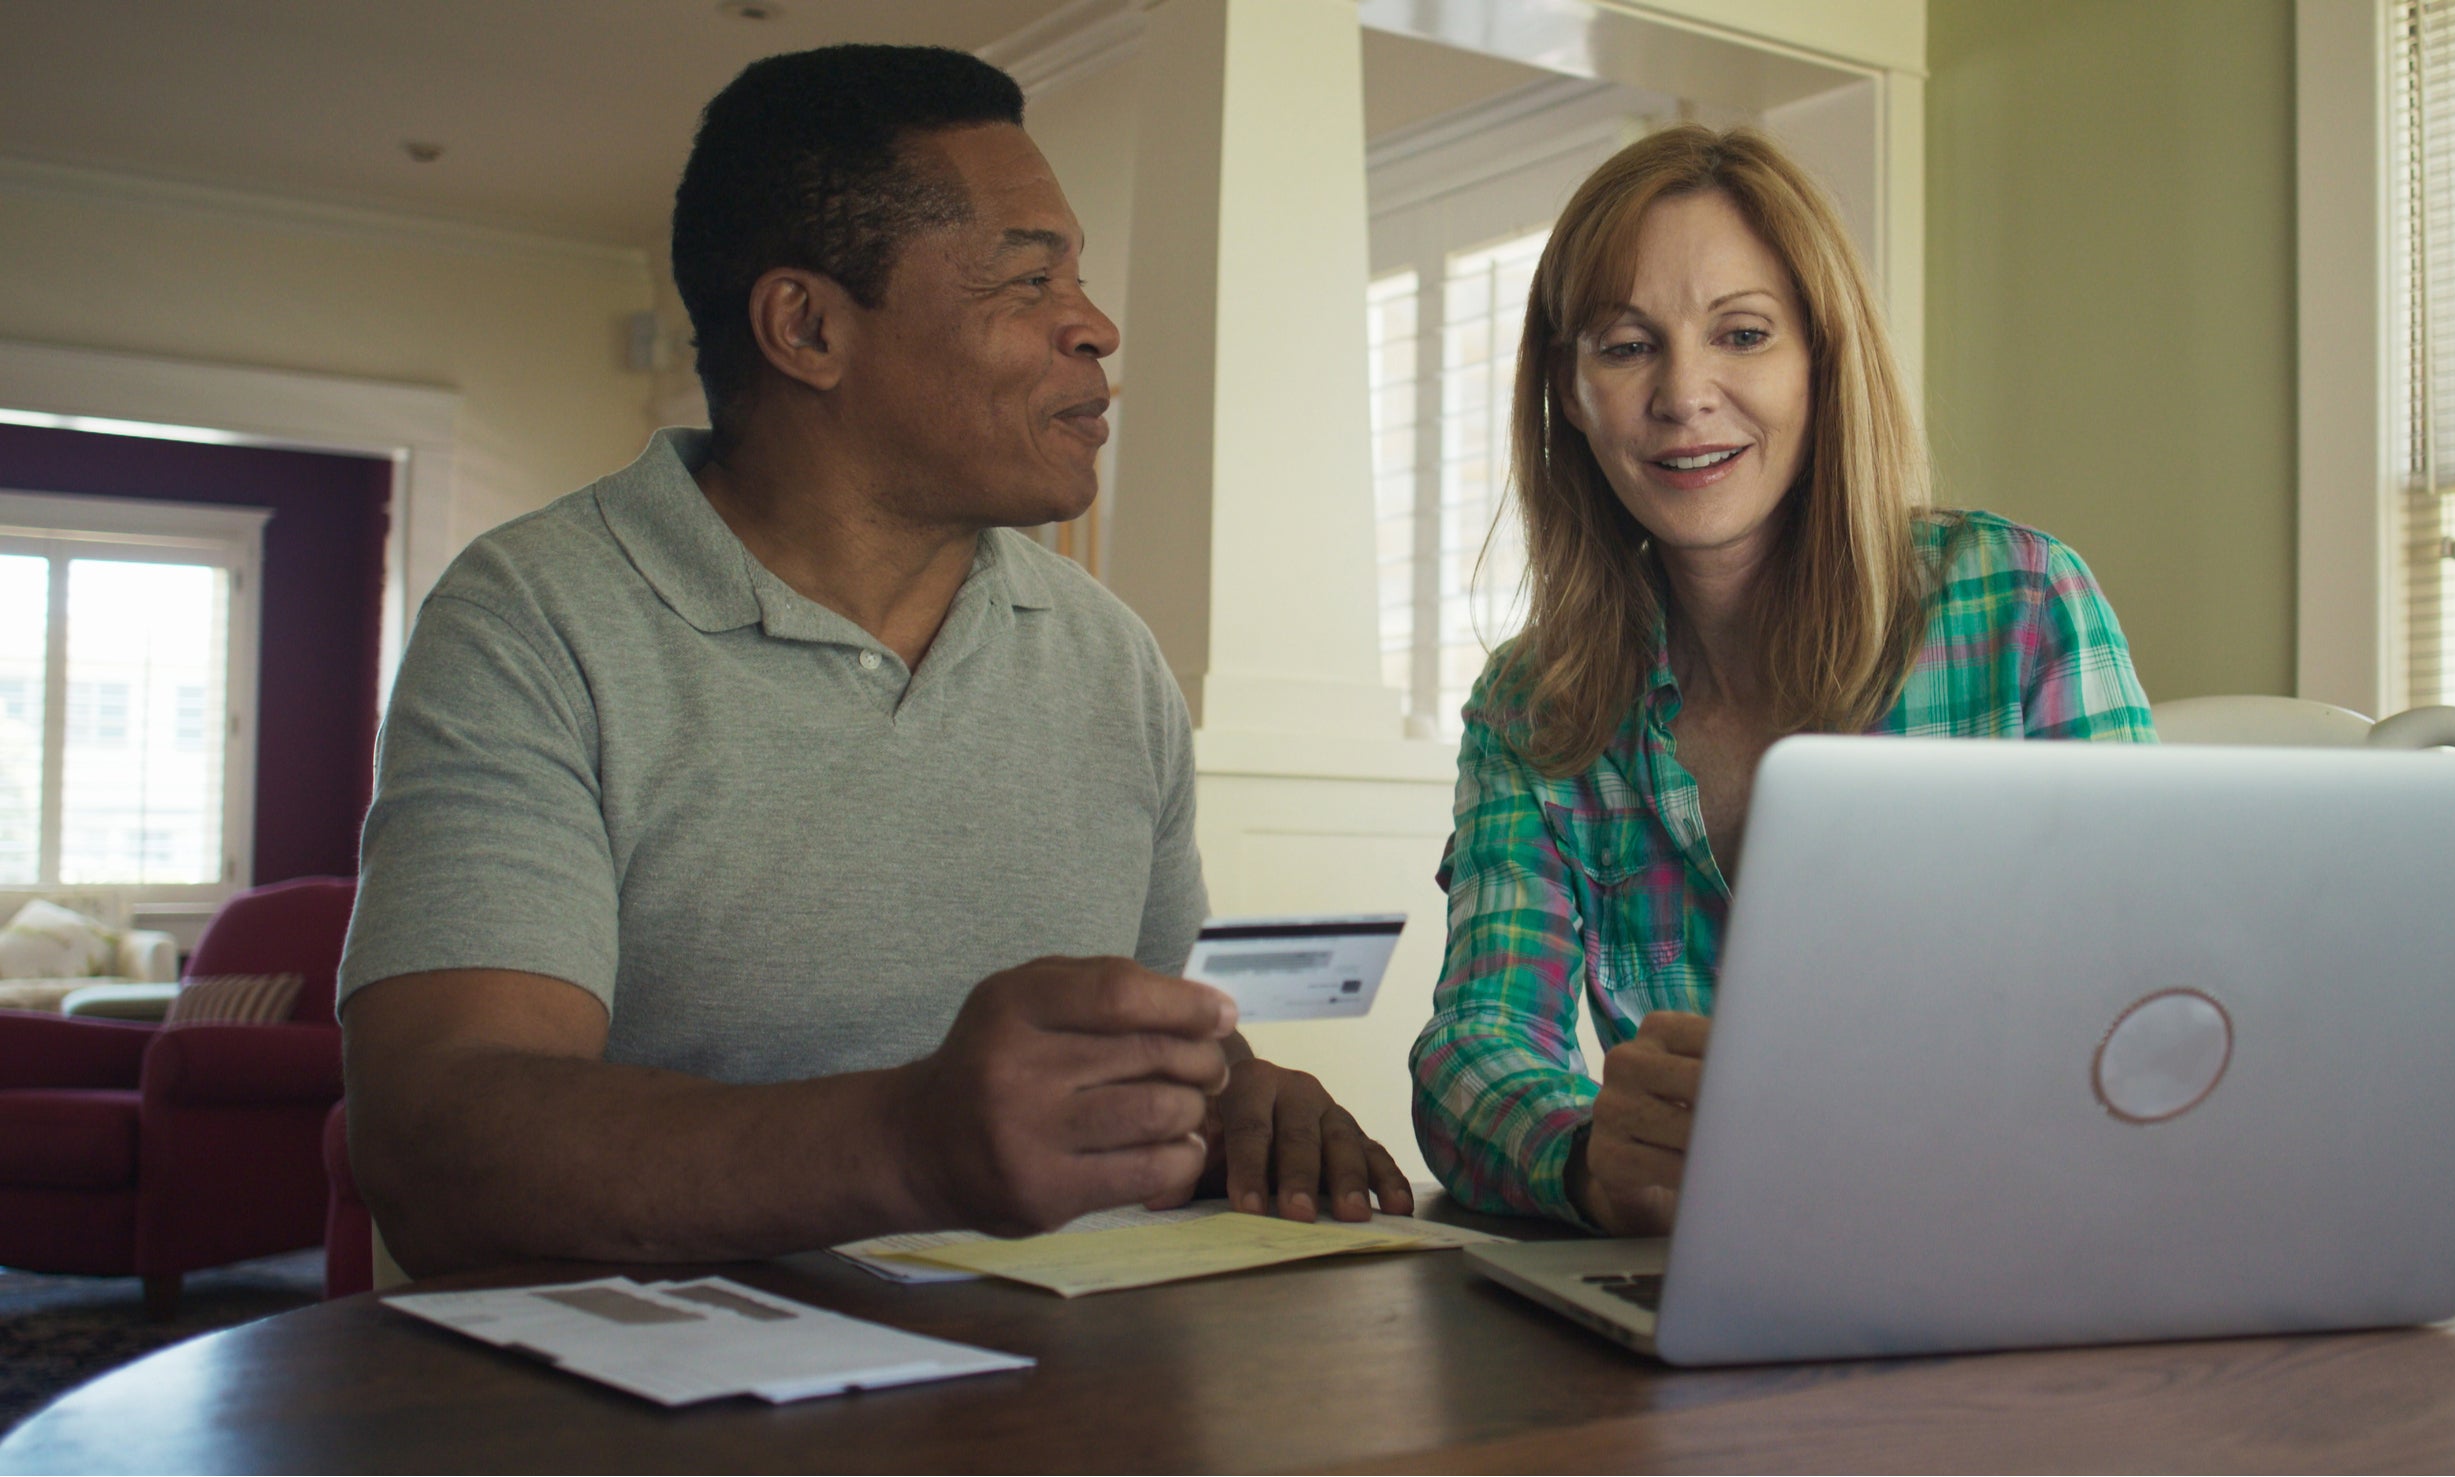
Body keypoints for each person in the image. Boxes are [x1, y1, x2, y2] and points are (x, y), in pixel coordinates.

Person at [341, 44, 1409, 1279]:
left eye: (1080, 273)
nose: (1097, 325)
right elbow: (437, 1147)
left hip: (1080, 1387)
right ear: (806, 327)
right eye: (1029, 278)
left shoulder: (1106, 654)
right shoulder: (532, 619)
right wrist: (913, 1142)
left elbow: (1140, 1069)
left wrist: (1244, 1097)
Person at [1408, 126, 2154, 1236]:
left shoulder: (2019, 603)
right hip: (1701, 1282)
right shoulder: (1533, 705)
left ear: (1821, 361)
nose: (1683, 394)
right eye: (1624, 347)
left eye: (1743, 334)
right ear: (1567, 391)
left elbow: (2146, 990)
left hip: (2022, 1242)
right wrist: (1584, 1156)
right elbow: (1477, 1041)